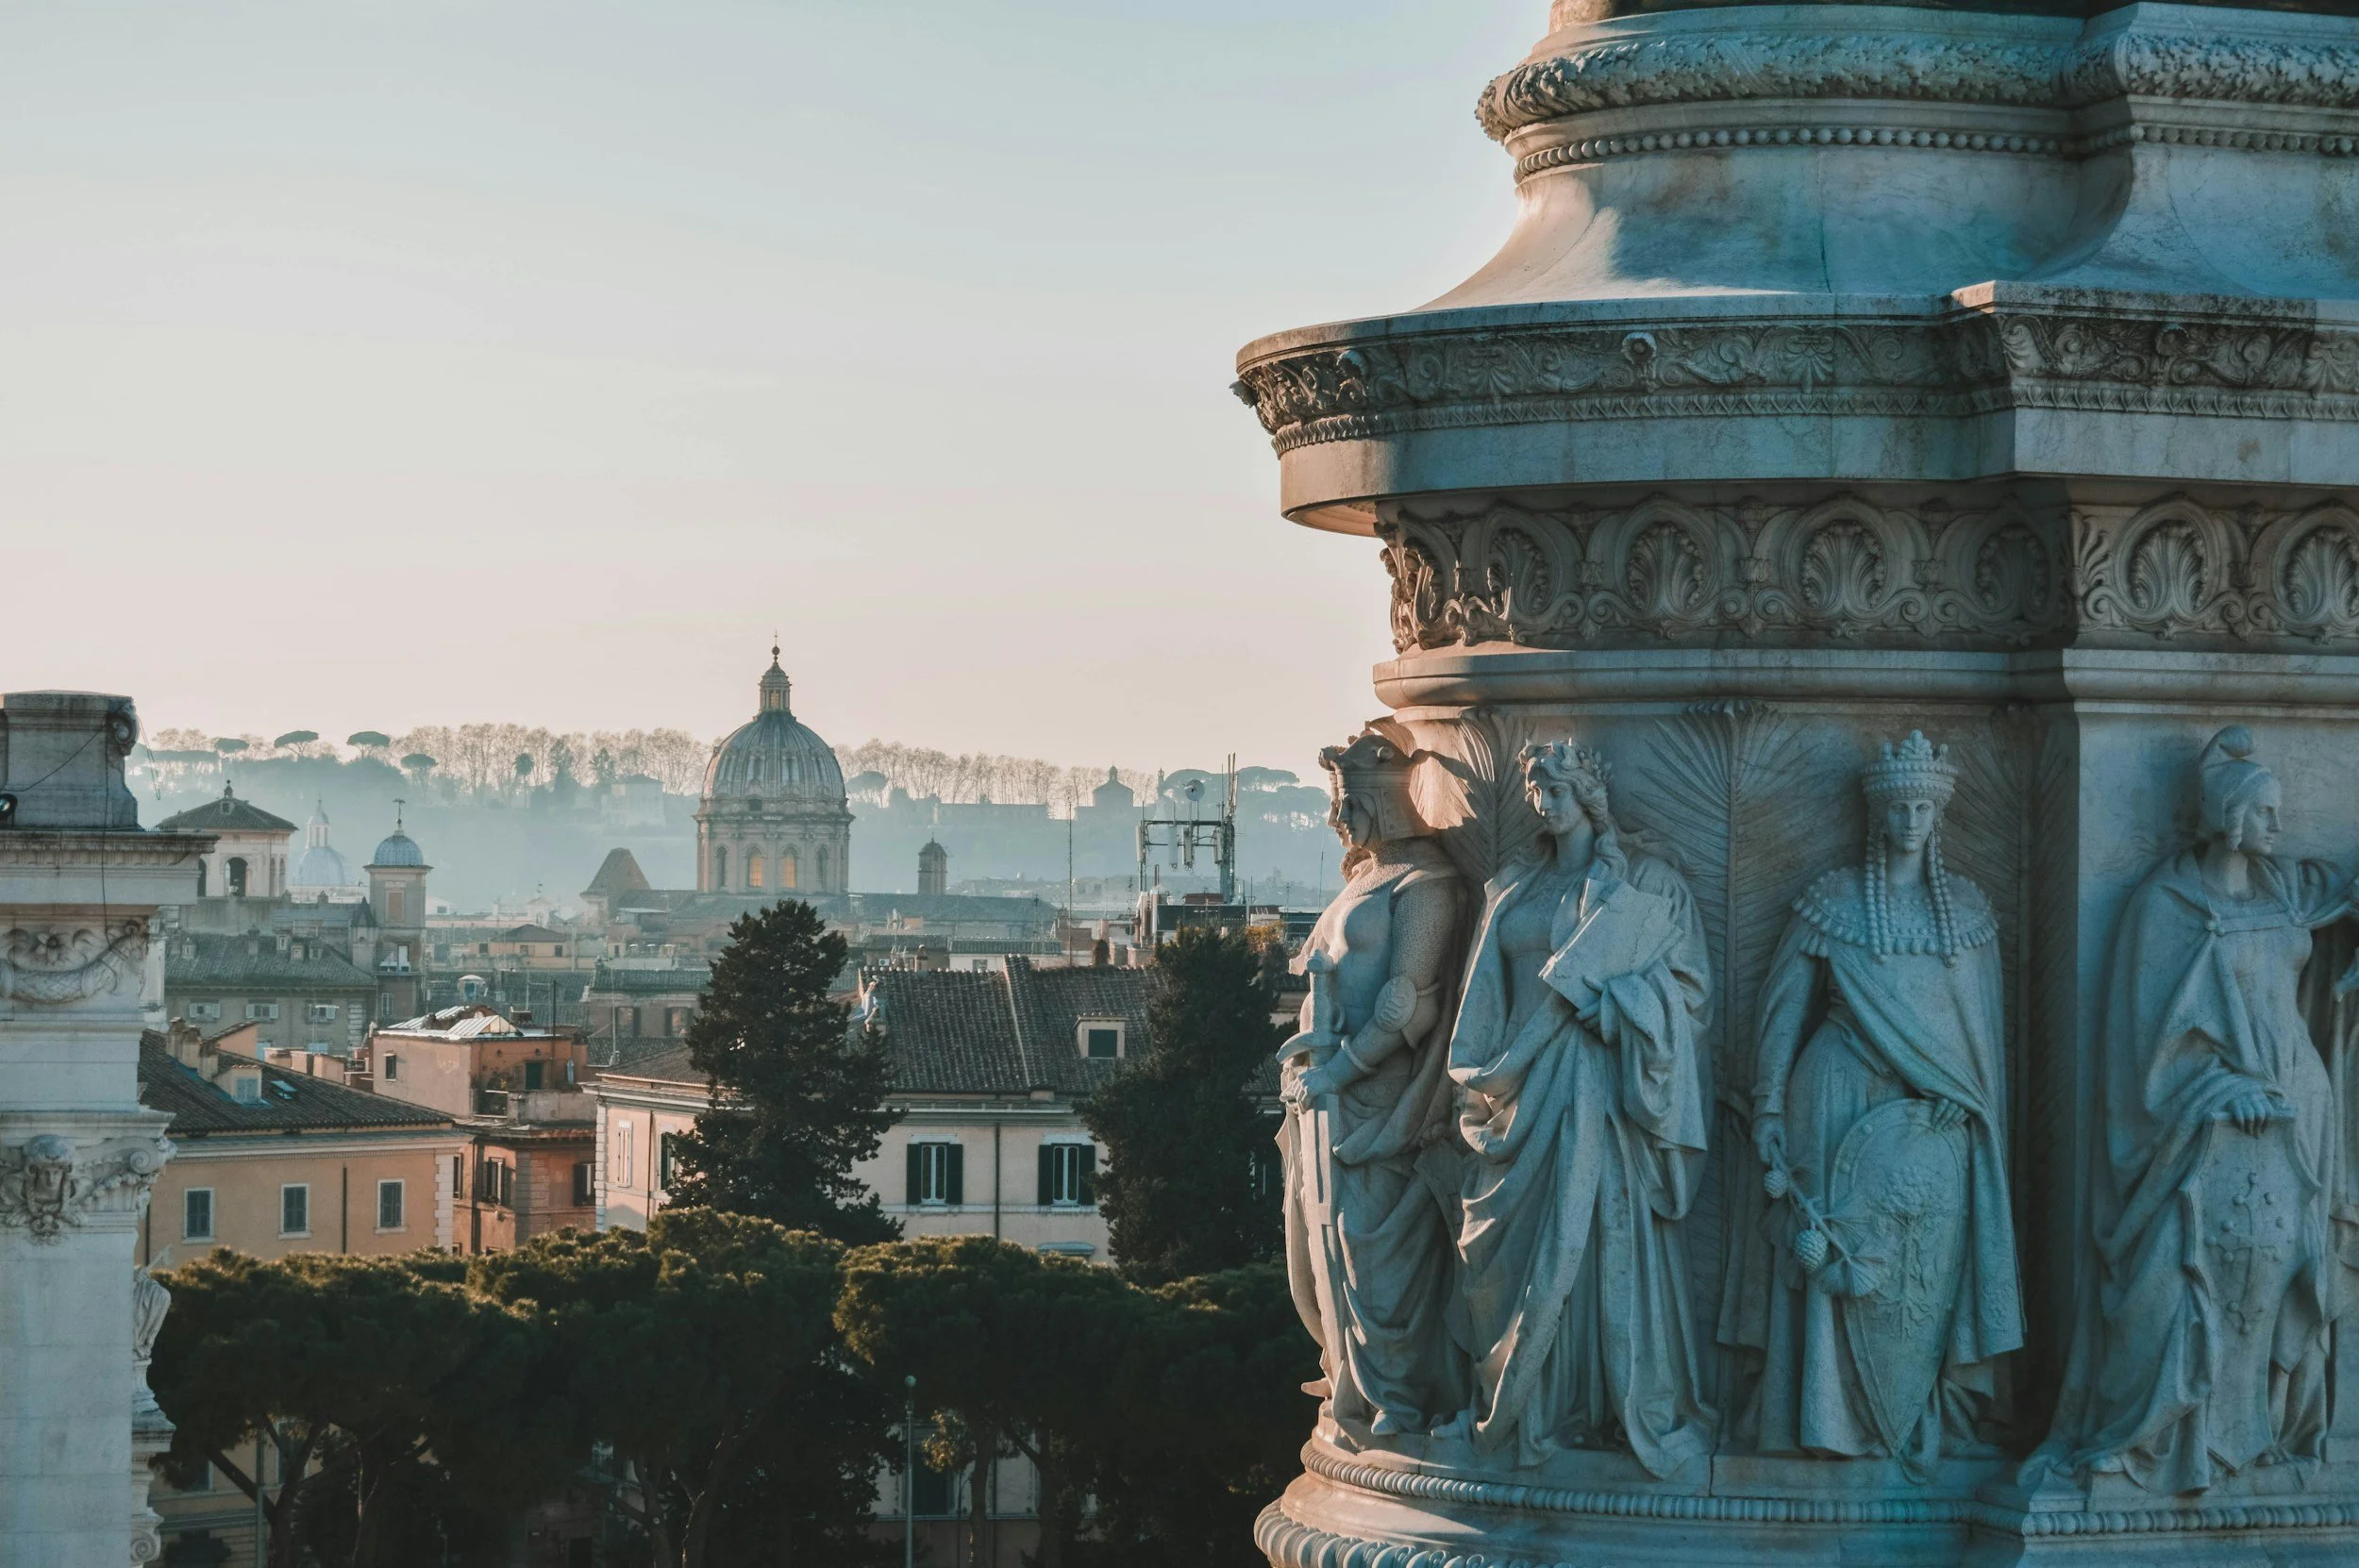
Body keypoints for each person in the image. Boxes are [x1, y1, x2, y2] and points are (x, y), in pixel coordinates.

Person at [2037, 726, 2355, 1493]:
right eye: (2265, 814)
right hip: (2197, 1134)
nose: (2278, 828)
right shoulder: (2167, 904)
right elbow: (2144, 1047)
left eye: (2279, 814)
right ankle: (2164, 1437)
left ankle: (2272, 1429)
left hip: (2298, 1114)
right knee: (2181, 1285)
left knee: (2280, 1276)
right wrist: (2219, 1087)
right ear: (2224, 817)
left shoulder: (2284, 889)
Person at [1733, 730, 2021, 1471]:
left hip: (1932, 1125)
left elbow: (1977, 1038)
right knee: (1830, 1254)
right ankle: (1827, 1421)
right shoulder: (1832, 902)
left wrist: (1967, 1098)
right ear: (1877, 814)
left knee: (1921, 1274)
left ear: (1939, 814)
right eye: (1897, 806)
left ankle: (1917, 1417)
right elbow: (1780, 1013)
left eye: (1924, 805)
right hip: (1832, 1095)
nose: (1910, 818)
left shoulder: (1966, 914)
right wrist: (1768, 1109)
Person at [1438, 740, 1715, 1476]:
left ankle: (1592, 1407)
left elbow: (1688, 995)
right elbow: (1482, 1002)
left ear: (1590, 795)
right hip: (1516, 1096)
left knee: (1596, 1247)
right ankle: (1525, 1407)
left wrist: (1617, 1006)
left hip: (1598, 1092)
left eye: (1556, 790)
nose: (1543, 804)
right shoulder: (1513, 888)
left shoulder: (1645, 885)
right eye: (1536, 790)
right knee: (1514, 1259)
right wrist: (1483, 1079)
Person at [1279, 720, 1467, 1440]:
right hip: (1321, 1099)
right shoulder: (1367, 877)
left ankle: (1402, 1400)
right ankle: (1349, 1381)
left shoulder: (1428, 886)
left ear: (1382, 800)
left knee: (1370, 1254)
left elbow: (1404, 1005)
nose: (1337, 819)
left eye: (1348, 803)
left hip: (1375, 1103)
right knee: (1314, 1256)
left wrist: (1341, 1071)